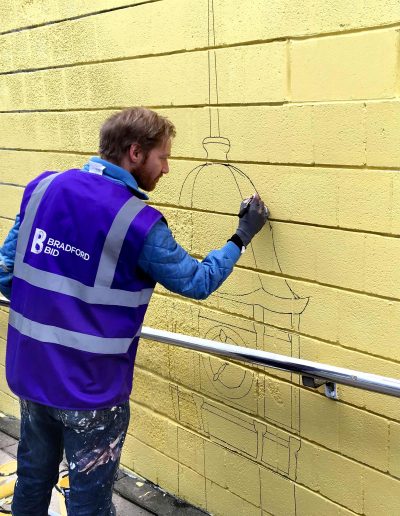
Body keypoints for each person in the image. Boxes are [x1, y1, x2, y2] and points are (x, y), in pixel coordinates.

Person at [0, 107, 268, 515]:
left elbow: (5, 273)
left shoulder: (43, 188)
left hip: (31, 376)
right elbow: (196, 282)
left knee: (34, 478)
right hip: (90, 393)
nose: (167, 168)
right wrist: (241, 236)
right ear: (135, 153)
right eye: (163, 156)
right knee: (89, 503)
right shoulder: (137, 222)